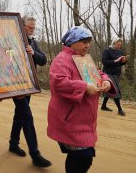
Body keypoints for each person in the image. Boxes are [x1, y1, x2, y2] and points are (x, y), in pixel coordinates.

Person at [47, 26, 116, 173]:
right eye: (83, 41)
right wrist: (84, 87)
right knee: (82, 157)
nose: (87, 45)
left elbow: (99, 73)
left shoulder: (84, 59)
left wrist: (106, 81)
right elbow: (58, 83)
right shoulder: (62, 60)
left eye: (88, 41)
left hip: (83, 119)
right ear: (72, 42)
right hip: (70, 121)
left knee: (82, 157)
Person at [8, 16, 51, 168]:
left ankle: (13, 143)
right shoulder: (13, 40)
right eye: (30, 27)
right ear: (22, 26)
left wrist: (33, 53)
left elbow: (43, 60)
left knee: (20, 114)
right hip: (16, 85)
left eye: (34, 28)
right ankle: (35, 154)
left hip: (29, 85)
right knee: (27, 116)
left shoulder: (33, 42)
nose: (32, 30)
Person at [101, 38, 127, 116]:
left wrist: (123, 61)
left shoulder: (119, 51)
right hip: (108, 74)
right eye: (118, 44)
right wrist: (116, 60)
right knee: (115, 90)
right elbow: (104, 62)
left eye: (120, 45)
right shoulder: (107, 51)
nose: (119, 46)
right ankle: (120, 109)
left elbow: (120, 63)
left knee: (110, 90)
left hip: (116, 74)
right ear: (113, 43)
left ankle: (103, 106)